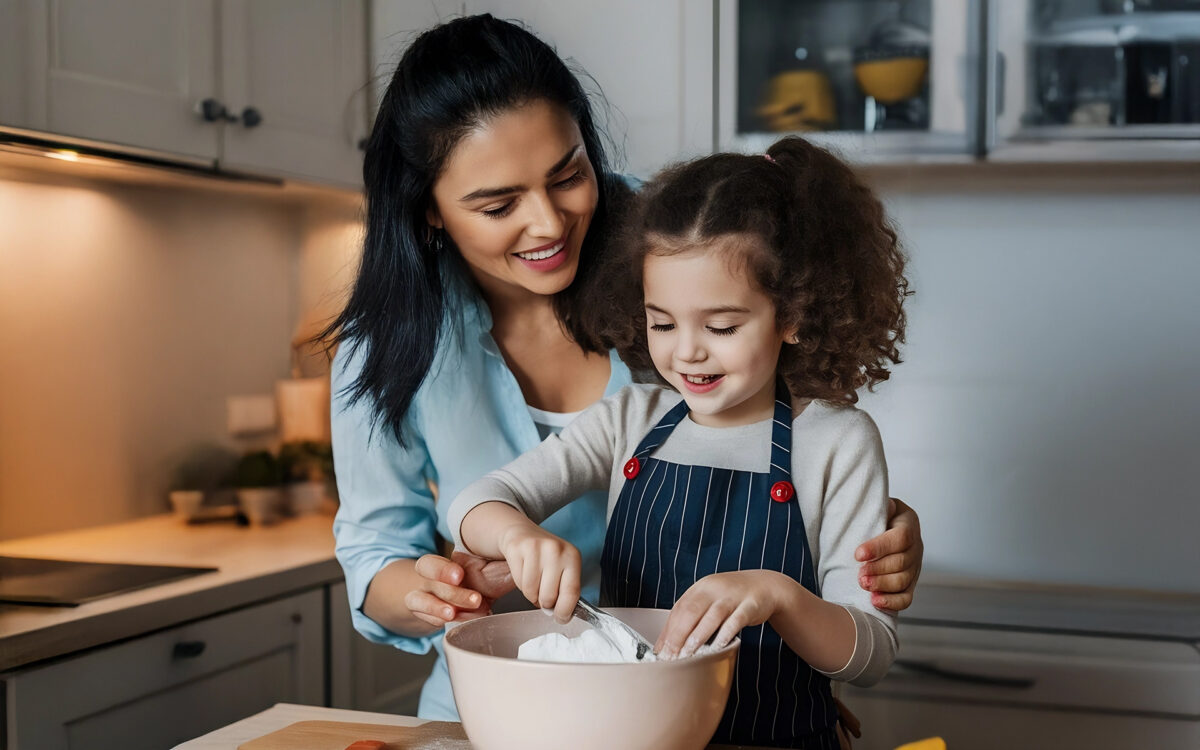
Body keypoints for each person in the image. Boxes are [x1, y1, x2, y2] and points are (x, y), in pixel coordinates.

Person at [326, 14, 924, 723]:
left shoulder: (678, 247)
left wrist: (860, 541)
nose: (548, 224)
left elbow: (807, 413)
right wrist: (448, 582)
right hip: (496, 705)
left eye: (568, 175)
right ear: (428, 210)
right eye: (498, 204)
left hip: (720, 712)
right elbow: (381, 549)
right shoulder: (394, 343)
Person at [450, 136, 908, 749]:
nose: (685, 350)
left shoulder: (834, 441)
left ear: (793, 314)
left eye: (721, 326)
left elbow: (870, 653)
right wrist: (515, 534)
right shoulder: (629, 419)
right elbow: (478, 500)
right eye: (661, 321)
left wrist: (776, 596)